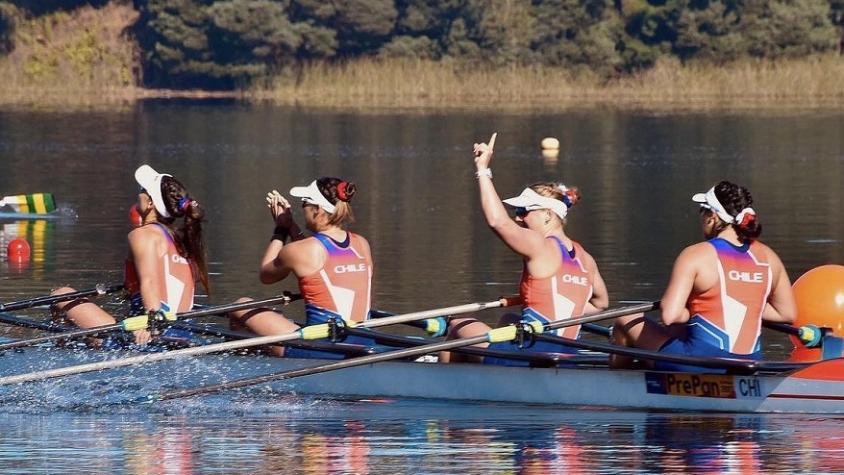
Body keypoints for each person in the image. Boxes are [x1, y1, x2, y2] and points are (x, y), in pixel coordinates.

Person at [440, 133, 609, 363]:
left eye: (523, 212)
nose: (518, 219)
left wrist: (483, 169)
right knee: (509, 319)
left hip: (530, 356)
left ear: (548, 216)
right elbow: (601, 304)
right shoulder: (585, 259)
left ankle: (447, 385)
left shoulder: (541, 245)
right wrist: (559, 299)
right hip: (568, 358)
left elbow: (498, 222)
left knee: (457, 325)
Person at [610, 180, 796, 371]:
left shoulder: (696, 255)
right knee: (678, 330)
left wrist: (694, 308)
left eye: (702, 210)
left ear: (712, 216)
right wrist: (746, 302)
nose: (700, 217)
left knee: (626, 319)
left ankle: (617, 384)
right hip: (751, 363)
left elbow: (670, 315)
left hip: (700, 362)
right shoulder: (769, 257)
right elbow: (787, 313)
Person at [52, 165, 208, 346]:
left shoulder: (143, 235)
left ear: (150, 203)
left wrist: (151, 328)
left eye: (142, 190)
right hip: (184, 334)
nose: (138, 192)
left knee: (61, 295)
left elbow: (149, 282)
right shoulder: (183, 241)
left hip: (150, 337)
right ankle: (84, 343)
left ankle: (62, 352)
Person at [229, 177, 373, 357]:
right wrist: (291, 226)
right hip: (365, 340)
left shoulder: (302, 250)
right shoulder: (361, 244)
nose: (302, 208)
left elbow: (266, 275)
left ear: (318, 209)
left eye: (304, 203)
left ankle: (241, 364)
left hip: (321, 348)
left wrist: (280, 229)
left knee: (240, 306)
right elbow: (315, 256)